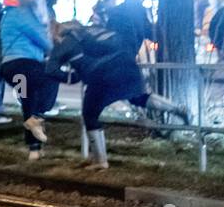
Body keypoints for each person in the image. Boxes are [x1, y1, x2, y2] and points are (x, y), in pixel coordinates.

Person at [50, 15, 191, 167]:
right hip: (127, 63)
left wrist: (71, 78)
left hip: (102, 75)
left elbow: (50, 69)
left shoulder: (66, 42)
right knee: (138, 97)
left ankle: (100, 160)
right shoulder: (94, 30)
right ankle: (176, 108)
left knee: (90, 114)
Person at [0, 0, 55, 161]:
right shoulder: (23, 13)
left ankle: (34, 149)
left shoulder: (8, 14)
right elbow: (43, 40)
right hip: (25, 66)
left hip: (11, 70)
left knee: (27, 101)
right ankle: (38, 116)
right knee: (51, 79)